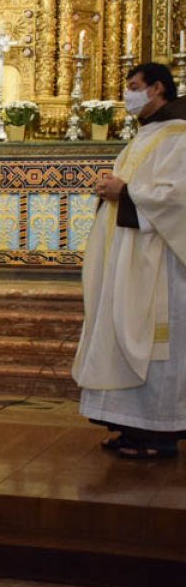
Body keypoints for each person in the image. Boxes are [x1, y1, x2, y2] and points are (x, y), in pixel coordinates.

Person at [73, 62, 186, 460]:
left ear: (157, 89)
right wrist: (112, 188)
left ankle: (159, 433)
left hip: (158, 265)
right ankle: (132, 428)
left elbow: (178, 197)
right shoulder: (147, 134)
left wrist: (126, 190)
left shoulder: (179, 135)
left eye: (135, 87)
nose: (129, 94)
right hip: (131, 257)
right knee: (123, 333)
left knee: (155, 345)